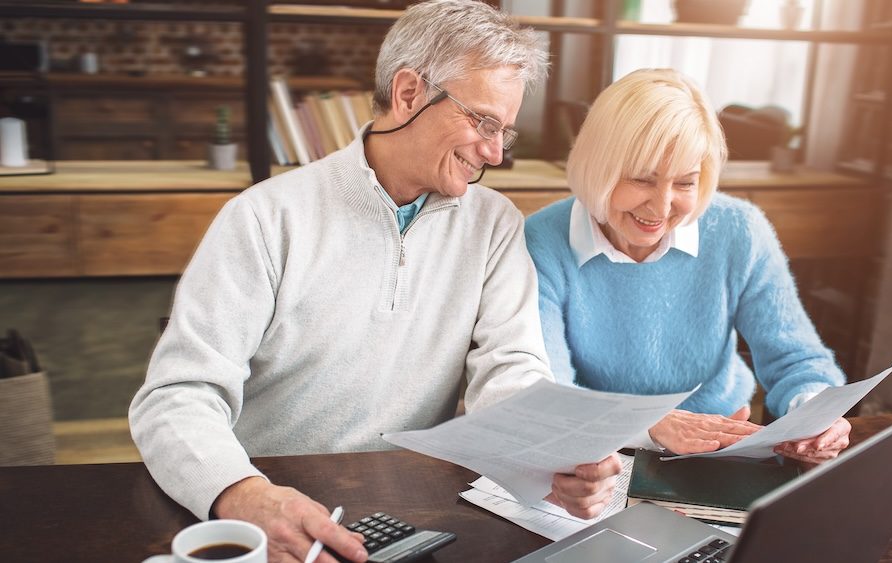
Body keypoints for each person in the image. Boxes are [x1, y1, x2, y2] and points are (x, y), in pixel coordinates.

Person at [129, 3, 620, 562]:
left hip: (413, 509)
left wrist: (551, 450)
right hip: (272, 511)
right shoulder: (265, 217)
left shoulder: (494, 224)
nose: (493, 153)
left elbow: (509, 369)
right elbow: (176, 396)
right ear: (408, 93)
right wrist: (242, 494)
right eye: (483, 122)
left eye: (504, 133)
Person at [525, 68, 851, 463]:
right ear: (598, 166)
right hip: (598, 454)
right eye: (643, 179)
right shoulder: (541, 241)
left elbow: (797, 359)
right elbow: (547, 394)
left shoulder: (739, 230)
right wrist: (650, 426)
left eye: (685, 183)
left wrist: (815, 413)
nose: (662, 207)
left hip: (724, 446)